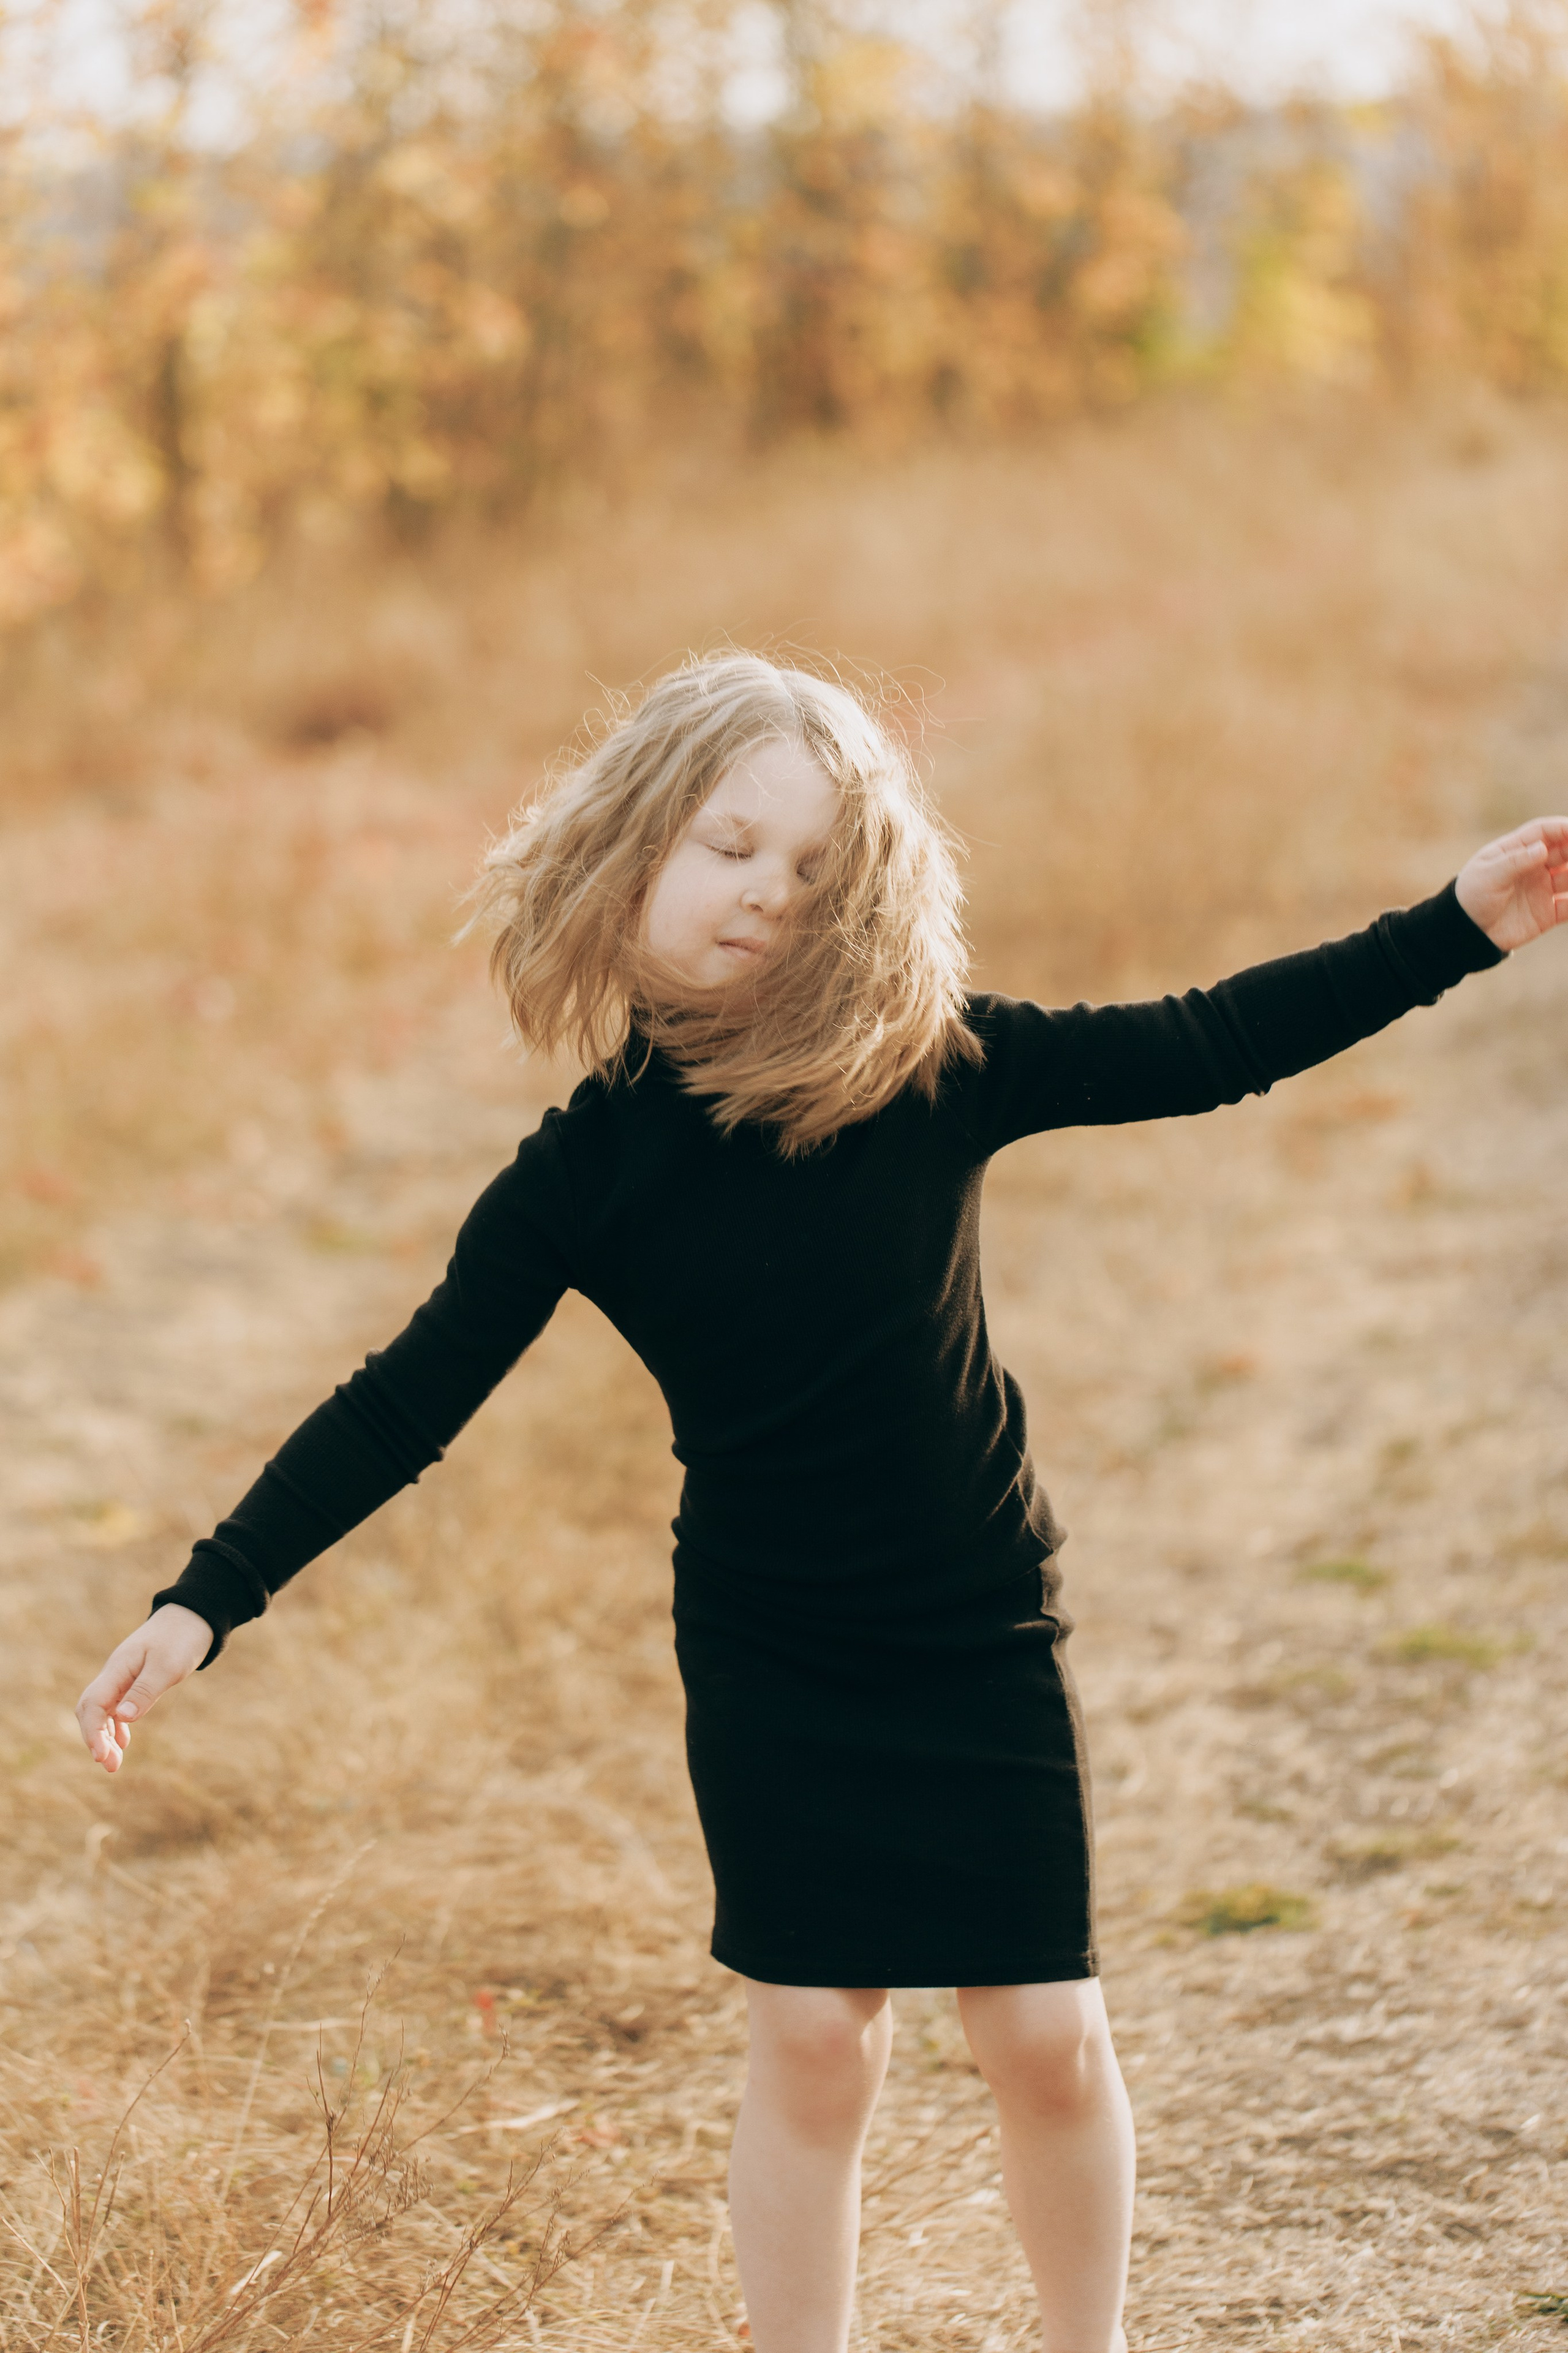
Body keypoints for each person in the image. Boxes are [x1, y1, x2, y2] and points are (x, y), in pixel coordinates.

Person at [76, 652, 1567, 2353]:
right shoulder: (584, 1176)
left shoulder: (932, 1067)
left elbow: (1213, 1043)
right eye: (728, 847)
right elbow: (404, 1400)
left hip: (972, 1627)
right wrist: (205, 1596)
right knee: (810, 2037)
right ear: (630, 842)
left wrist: (1458, 922)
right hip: (773, 1651)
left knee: (1043, 2032)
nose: (763, 898)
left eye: (807, 874)